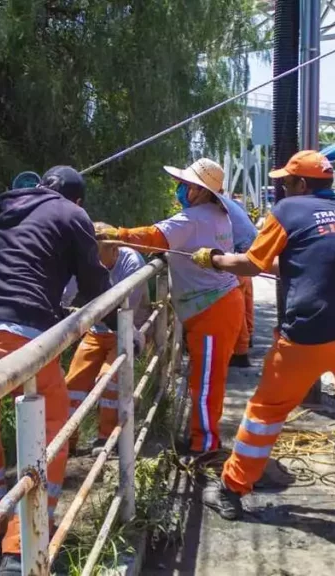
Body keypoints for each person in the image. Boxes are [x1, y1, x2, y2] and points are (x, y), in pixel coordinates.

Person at [193, 150, 335, 520]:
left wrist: (214, 259)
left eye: (286, 183)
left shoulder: (288, 211)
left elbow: (252, 263)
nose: (282, 189)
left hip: (308, 336)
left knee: (266, 412)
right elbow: (312, 259)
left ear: (302, 184)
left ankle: (231, 490)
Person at [0, 166, 116, 574]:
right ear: (77, 199)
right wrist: (119, 322)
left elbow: (11, 268)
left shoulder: (7, 211)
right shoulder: (72, 214)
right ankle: (21, 545)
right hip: (23, 334)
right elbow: (94, 280)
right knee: (53, 431)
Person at [95, 158, 244, 456]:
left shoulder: (192, 219)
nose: (180, 190)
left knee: (205, 383)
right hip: (217, 306)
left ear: (200, 192)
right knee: (207, 379)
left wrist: (115, 235)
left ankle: (205, 446)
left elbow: (152, 238)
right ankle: (204, 438)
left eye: (186, 186)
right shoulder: (217, 215)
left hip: (213, 310)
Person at [62, 224, 150, 455]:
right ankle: (66, 442)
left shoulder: (132, 263)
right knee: (72, 384)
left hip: (124, 329)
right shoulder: (87, 258)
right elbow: (66, 295)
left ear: (115, 251)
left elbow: (125, 309)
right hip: (96, 330)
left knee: (109, 379)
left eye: (100, 258)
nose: (96, 265)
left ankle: (107, 438)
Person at [220, 191, 258, 367]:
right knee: (245, 298)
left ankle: (241, 352)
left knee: (236, 304)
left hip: (237, 254)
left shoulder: (214, 206)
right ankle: (247, 338)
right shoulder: (232, 204)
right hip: (247, 252)